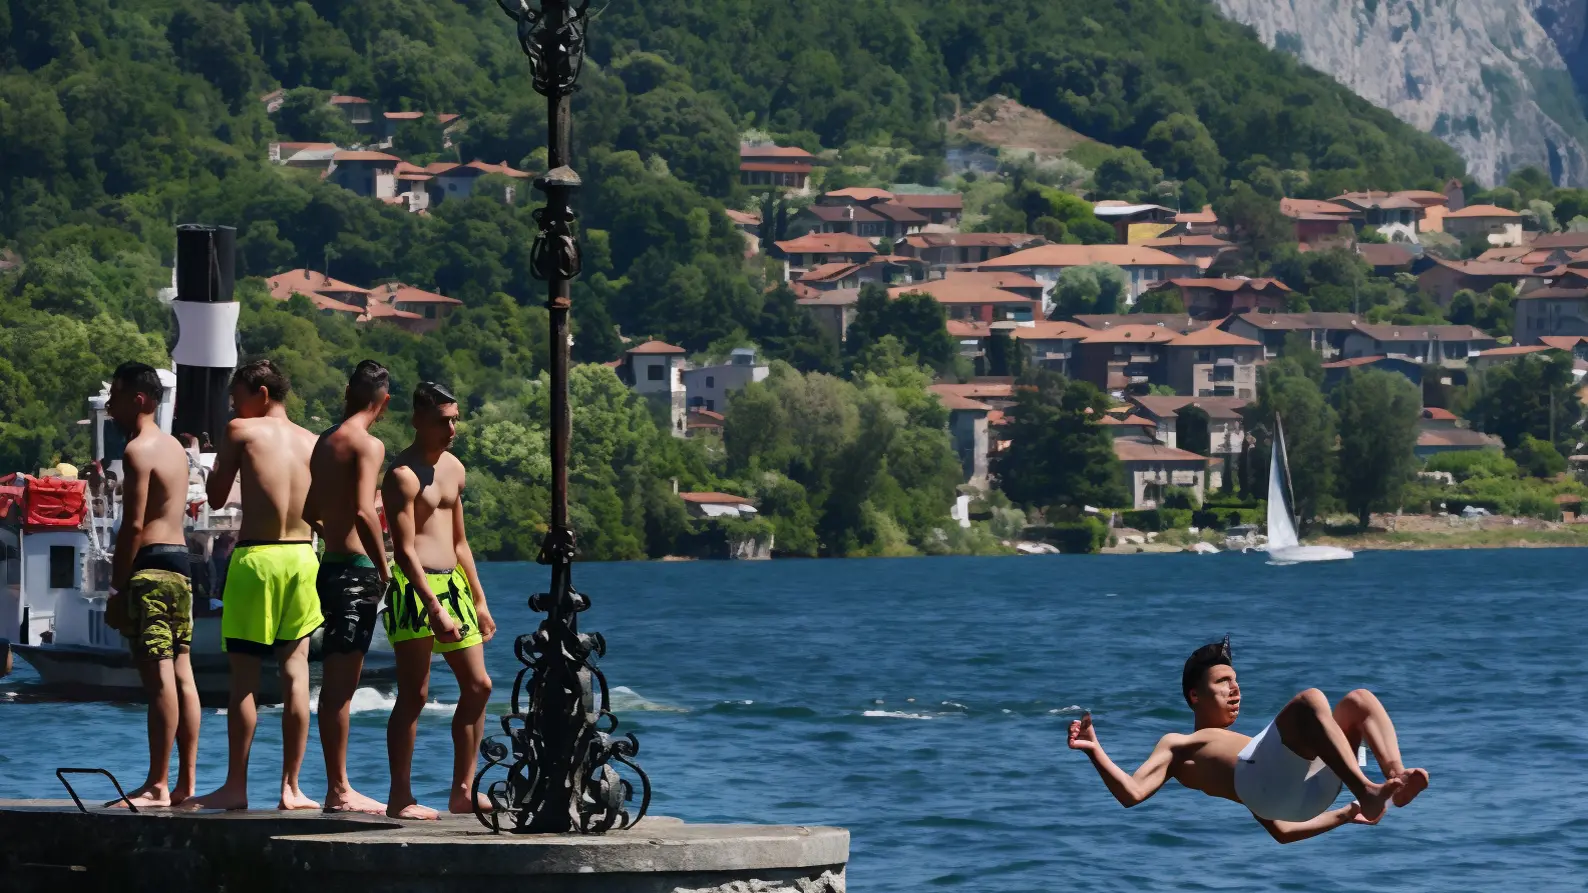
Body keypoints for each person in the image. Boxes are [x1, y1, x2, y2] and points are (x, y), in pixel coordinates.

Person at [1067, 637, 1430, 843]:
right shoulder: (1178, 744)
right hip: (1276, 789)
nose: (1234, 687)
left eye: (1236, 679)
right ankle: (1367, 789)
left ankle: (1394, 781)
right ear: (1194, 695)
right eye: (1222, 681)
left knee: (1358, 701)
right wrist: (1094, 750)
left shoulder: (1251, 748)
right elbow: (1131, 793)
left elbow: (1283, 832)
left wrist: (1346, 814)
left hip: (1307, 793)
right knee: (1310, 700)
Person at [185, 360, 323, 811]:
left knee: (243, 680)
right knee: (296, 675)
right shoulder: (313, 441)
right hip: (303, 557)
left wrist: (207, 466)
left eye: (236, 395)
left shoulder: (242, 431)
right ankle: (292, 788)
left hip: (257, 559)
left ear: (261, 394)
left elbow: (219, 496)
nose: (231, 405)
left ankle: (236, 787)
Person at [381, 381, 496, 820]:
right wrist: (433, 605)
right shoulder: (402, 476)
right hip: (416, 589)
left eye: (454, 419)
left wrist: (479, 600)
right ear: (417, 421)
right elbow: (404, 549)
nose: (451, 428)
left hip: (455, 585)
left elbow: (461, 542)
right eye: (441, 421)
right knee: (415, 693)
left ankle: (463, 791)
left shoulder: (455, 469)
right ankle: (401, 797)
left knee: (479, 686)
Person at [104, 362, 202, 808]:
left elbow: (135, 524)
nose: (110, 404)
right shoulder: (176, 450)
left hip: (150, 570)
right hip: (181, 566)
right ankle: (185, 783)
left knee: (158, 675)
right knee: (183, 673)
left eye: (117, 395)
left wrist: (117, 587)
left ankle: (157, 785)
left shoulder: (138, 450)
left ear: (140, 399)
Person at [302, 360, 393, 815]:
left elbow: (309, 511)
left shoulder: (325, 441)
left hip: (330, 566)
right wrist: (383, 567)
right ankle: (338, 790)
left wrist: (336, 534)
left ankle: (338, 786)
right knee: (341, 688)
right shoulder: (367, 444)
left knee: (336, 687)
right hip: (356, 573)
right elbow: (363, 511)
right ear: (384, 401)